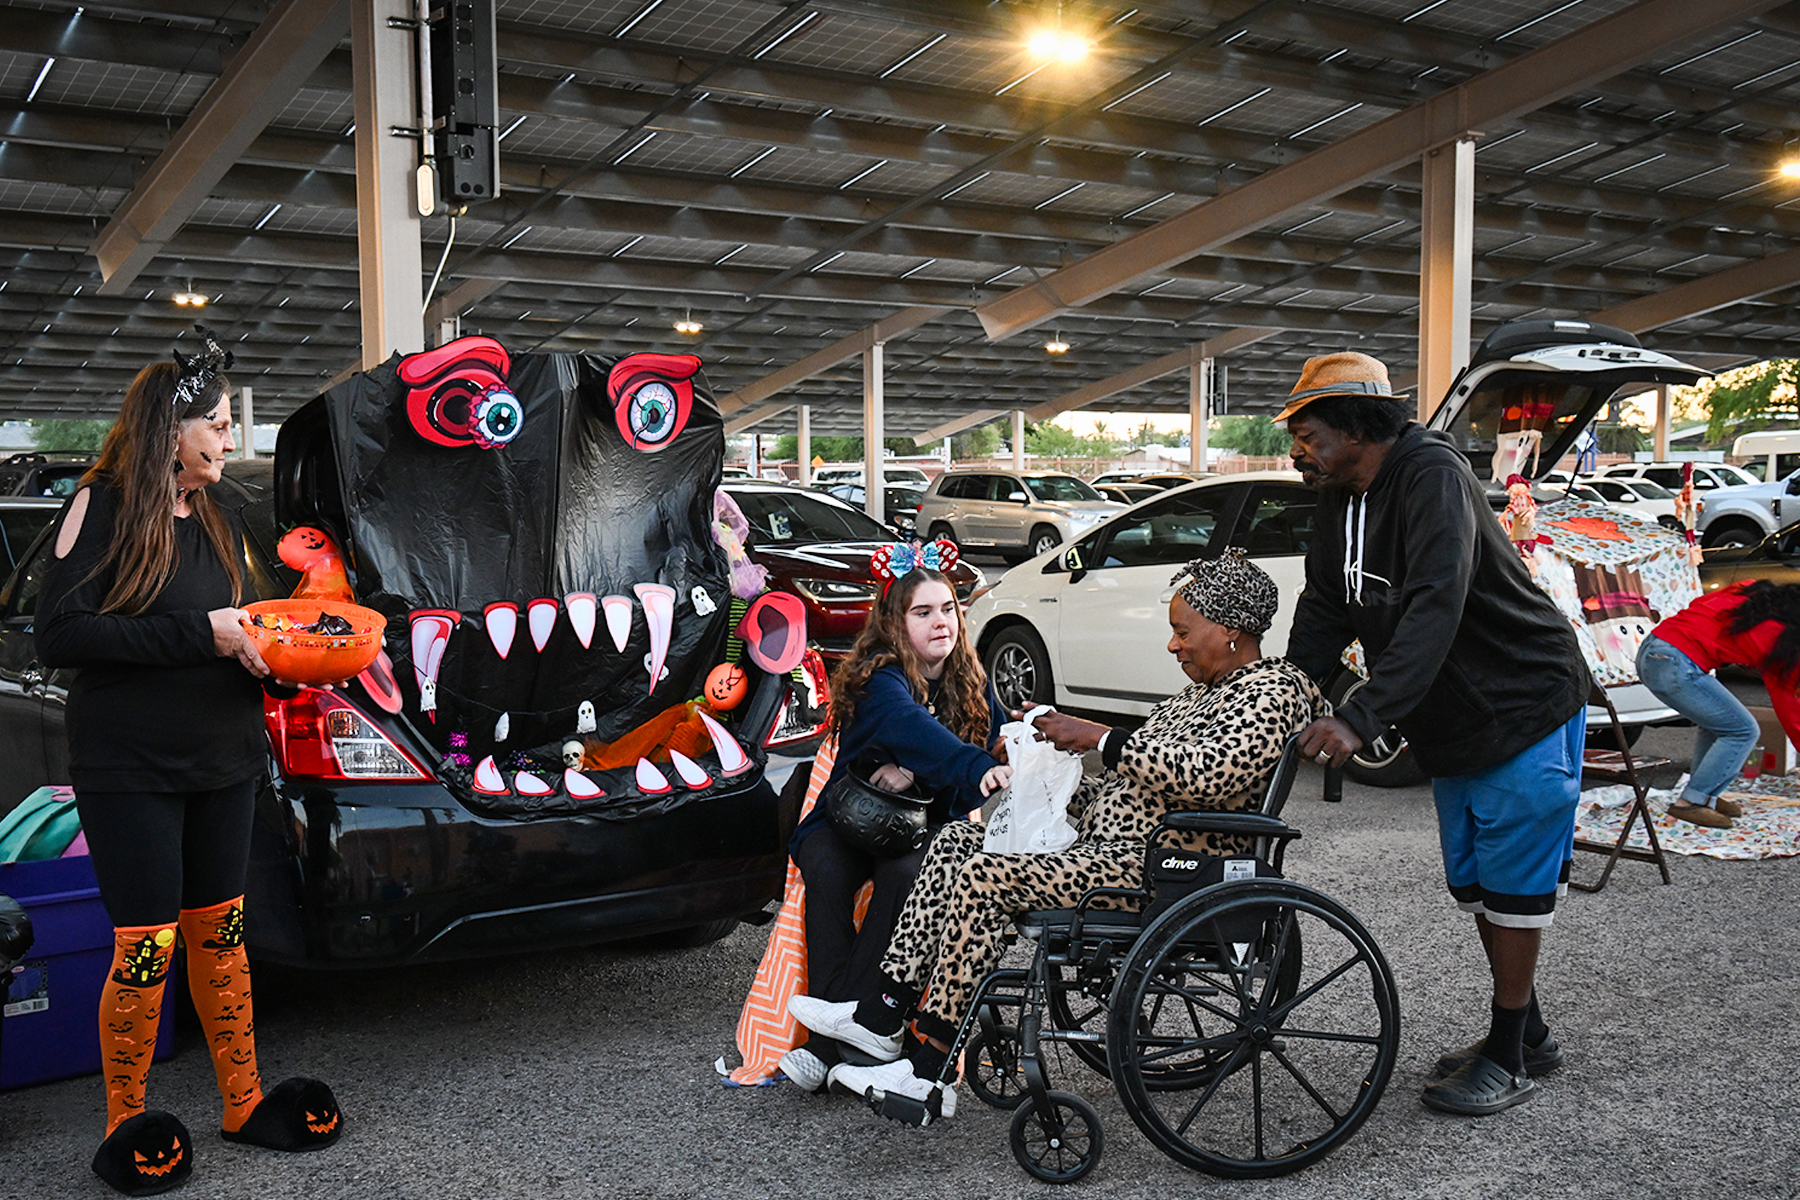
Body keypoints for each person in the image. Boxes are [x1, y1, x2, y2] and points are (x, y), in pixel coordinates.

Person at [804, 550, 1323, 1116]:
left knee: (986, 876)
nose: (1173, 645)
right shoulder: (1201, 694)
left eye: (1181, 631)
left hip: (1161, 864)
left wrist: (1101, 739)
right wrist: (1048, 761)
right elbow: (1132, 788)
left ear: (1228, 631)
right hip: (1112, 848)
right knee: (954, 842)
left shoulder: (1274, 690)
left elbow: (1204, 776)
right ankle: (882, 1016)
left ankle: (927, 1072)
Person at [37, 332, 344, 1197]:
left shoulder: (216, 512)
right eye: (214, 420)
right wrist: (197, 635)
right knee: (147, 946)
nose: (225, 434)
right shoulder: (99, 506)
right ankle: (125, 1117)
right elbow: (60, 633)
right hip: (129, 766)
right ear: (168, 429)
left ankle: (242, 1102)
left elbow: (232, 620)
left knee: (224, 936)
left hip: (223, 758)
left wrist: (256, 647)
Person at [1279, 351, 1590, 1118]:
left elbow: (1434, 606)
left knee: (1514, 889)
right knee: (1476, 884)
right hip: (1451, 718)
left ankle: (1510, 1053)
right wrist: (1281, 695)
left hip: (1520, 701)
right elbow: (1324, 607)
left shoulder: (1430, 476)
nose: (1300, 450)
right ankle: (1529, 1033)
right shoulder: (1338, 495)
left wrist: (1359, 716)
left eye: (1310, 433)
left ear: (1357, 426)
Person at [778, 555, 1010, 1094]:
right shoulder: (882, 678)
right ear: (894, 624)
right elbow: (913, 730)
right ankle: (835, 1041)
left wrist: (1024, 734)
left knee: (908, 876)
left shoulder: (969, 677)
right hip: (851, 817)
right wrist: (974, 766)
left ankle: (839, 1040)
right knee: (827, 869)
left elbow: (991, 737)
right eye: (922, 612)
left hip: (920, 827)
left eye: (948, 609)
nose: (941, 622)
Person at [1637, 581, 1800, 828]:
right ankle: (1692, 802)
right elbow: (1789, 707)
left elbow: (1699, 605)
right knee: (1743, 731)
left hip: (1655, 647)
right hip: (1675, 662)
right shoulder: (1780, 641)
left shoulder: (1753, 590)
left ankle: (1705, 794)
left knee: (1718, 726)